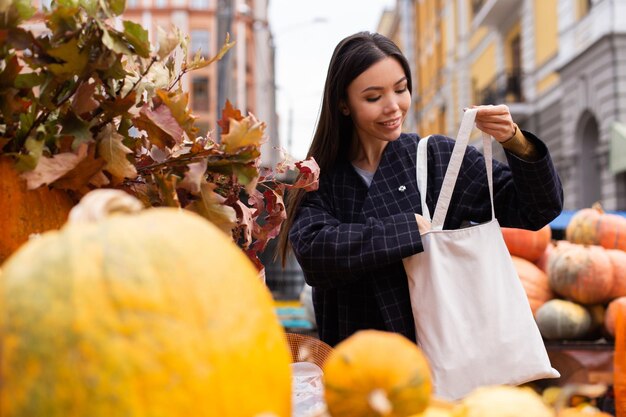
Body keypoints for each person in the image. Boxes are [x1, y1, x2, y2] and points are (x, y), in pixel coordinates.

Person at [277, 31, 563, 347]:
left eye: (401, 90)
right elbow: (315, 253)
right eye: (373, 97)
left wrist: (515, 141)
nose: (394, 107)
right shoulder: (320, 176)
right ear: (344, 104)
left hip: (445, 355)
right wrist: (407, 230)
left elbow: (537, 209)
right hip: (357, 360)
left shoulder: (437, 158)